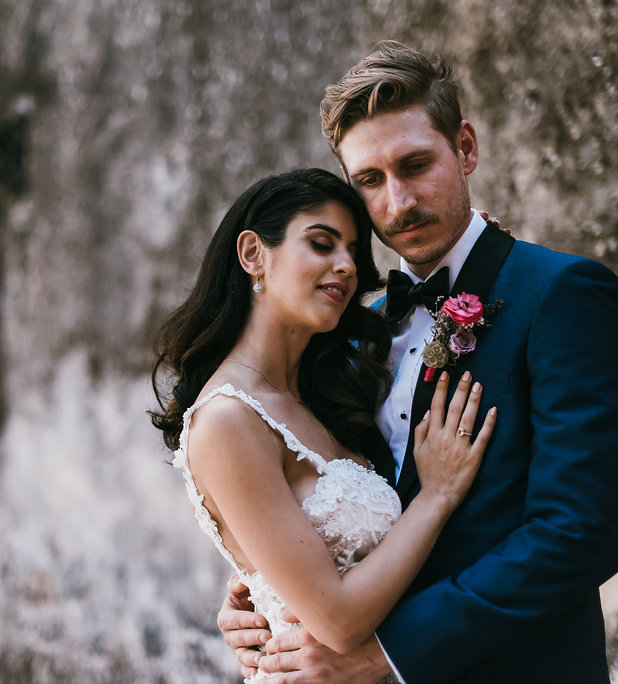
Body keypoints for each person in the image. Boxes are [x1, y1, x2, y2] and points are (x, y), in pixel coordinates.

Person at [217, 41, 618, 683]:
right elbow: (319, 497)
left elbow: (578, 533)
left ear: (465, 148)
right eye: (370, 181)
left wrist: (388, 653)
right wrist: (259, 590)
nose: (398, 202)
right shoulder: (356, 327)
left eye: (416, 165)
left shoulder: (563, 294)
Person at [151, 167, 497, 681]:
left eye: (354, 252)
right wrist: (437, 495)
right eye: (321, 244)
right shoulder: (228, 418)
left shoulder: (323, 393)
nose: (346, 267)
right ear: (253, 255)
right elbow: (336, 619)